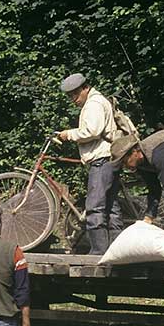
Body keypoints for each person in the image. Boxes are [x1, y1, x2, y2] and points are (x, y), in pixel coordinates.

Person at [56, 73, 122, 254]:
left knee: (94, 207)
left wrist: (68, 134)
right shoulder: (98, 101)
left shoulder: (93, 103)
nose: (73, 100)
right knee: (111, 208)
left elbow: (92, 131)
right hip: (109, 158)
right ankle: (116, 251)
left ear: (85, 88)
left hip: (101, 160)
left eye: (74, 95)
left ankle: (98, 253)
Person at [112, 127, 164, 242]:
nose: (124, 166)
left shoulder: (159, 153)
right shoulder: (141, 164)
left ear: (135, 152)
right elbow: (155, 190)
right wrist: (148, 217)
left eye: (124, 161)